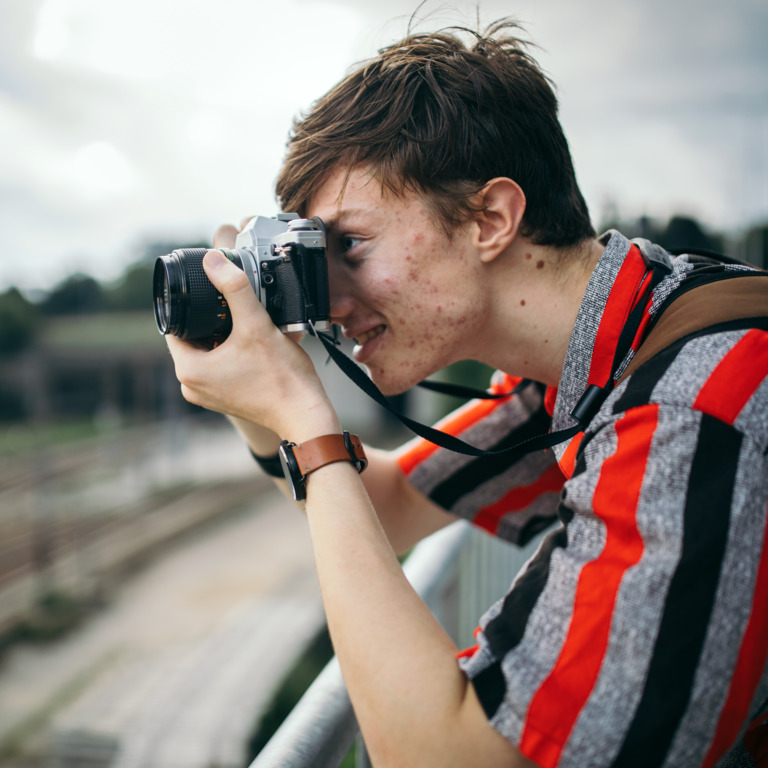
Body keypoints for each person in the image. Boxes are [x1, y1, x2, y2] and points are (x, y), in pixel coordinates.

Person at [165, 18, 768, 768]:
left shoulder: (690, 407)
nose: (334, 299)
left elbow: (444, 757)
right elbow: (379, 507)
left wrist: (303, 419)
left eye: (348, 245)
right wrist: (259, 391)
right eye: (317, 258)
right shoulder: (593, 359)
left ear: (489, 219)